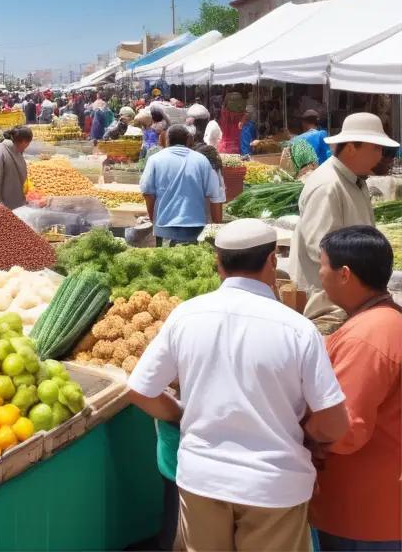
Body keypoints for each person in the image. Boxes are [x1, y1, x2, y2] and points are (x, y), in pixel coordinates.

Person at [126, 219, 348, 552]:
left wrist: (179, 414)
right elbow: (334, 423)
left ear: (218, 263)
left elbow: (140, 390)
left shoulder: (186, 316)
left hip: (203, 480)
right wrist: (303, 432)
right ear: (273, 261)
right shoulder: (298, 329)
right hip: (273, 487)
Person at [306, 226, 401, 552]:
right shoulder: (385, 321)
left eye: (322, 264)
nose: (319, 273)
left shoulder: (368, 336)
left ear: (344, 274)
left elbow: (346, 429)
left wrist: (304, 433)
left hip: (363, 513)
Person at [287, 112, 399, 334]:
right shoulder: (328, 186)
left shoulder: (356, 180)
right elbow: (320, 249)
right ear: (350, 148)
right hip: (329, 304)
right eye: (376, 148)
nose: (381, 156)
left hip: (352, 297)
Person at [139, 124, 223, 245]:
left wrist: (154, 219)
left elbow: (147, 192)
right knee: (193, 262)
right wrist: (216, 229)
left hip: (164, 227)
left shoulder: (155, 159)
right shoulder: (201, 160)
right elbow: (215, 196)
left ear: (167, 140)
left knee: (166, 262)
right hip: (196, 228)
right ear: (188, 139)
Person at [0, 126, 32, 209]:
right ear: (24, 142)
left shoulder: (16, 150)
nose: (27, 147)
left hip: (15, 204)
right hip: (3, 207)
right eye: (28, 144)